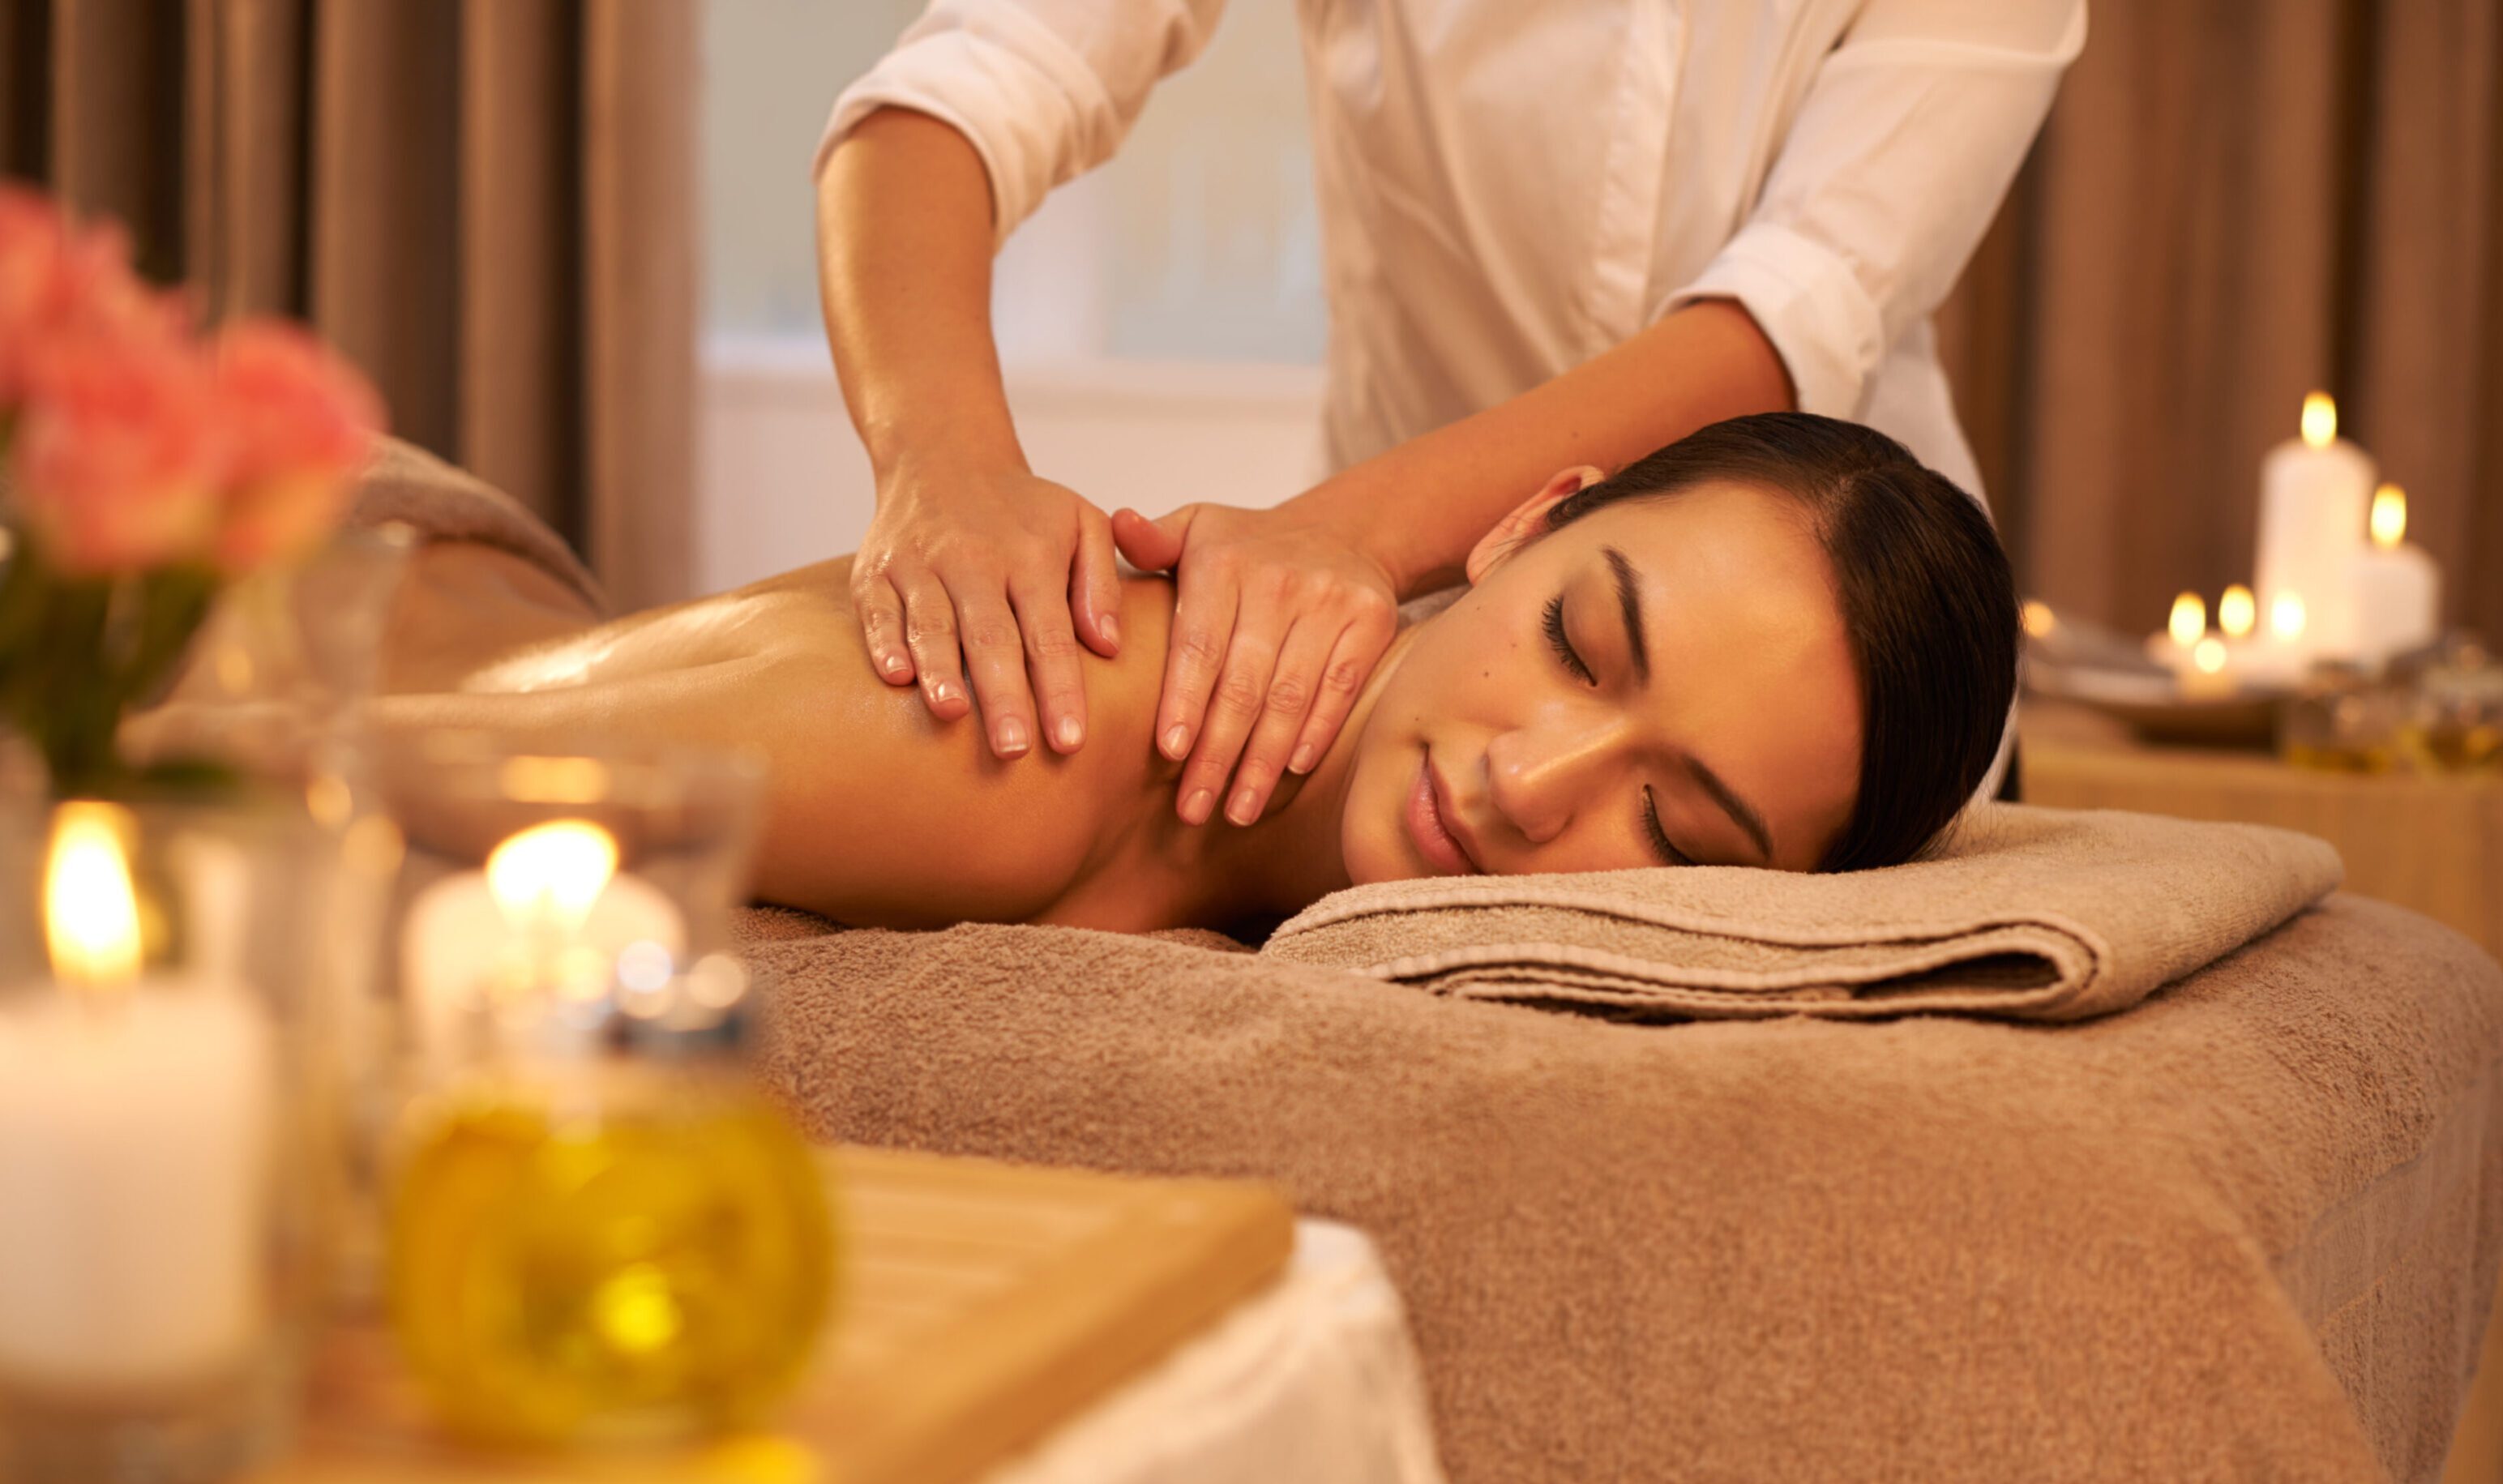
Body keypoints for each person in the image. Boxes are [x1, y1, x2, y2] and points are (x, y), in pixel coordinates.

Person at [814, 0, 2083, 832]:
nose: (1538, 788)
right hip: (1398, 651)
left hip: (1824, 727)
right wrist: (947, 466)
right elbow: (959, 94)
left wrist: (1335, 544)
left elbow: (1782, 325)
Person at [366, 415, 2017, 936]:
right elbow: (311, 762)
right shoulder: (1054, 728)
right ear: (1521, 525)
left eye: (1673, 837)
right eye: (1581, 649)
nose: (1526, 787)